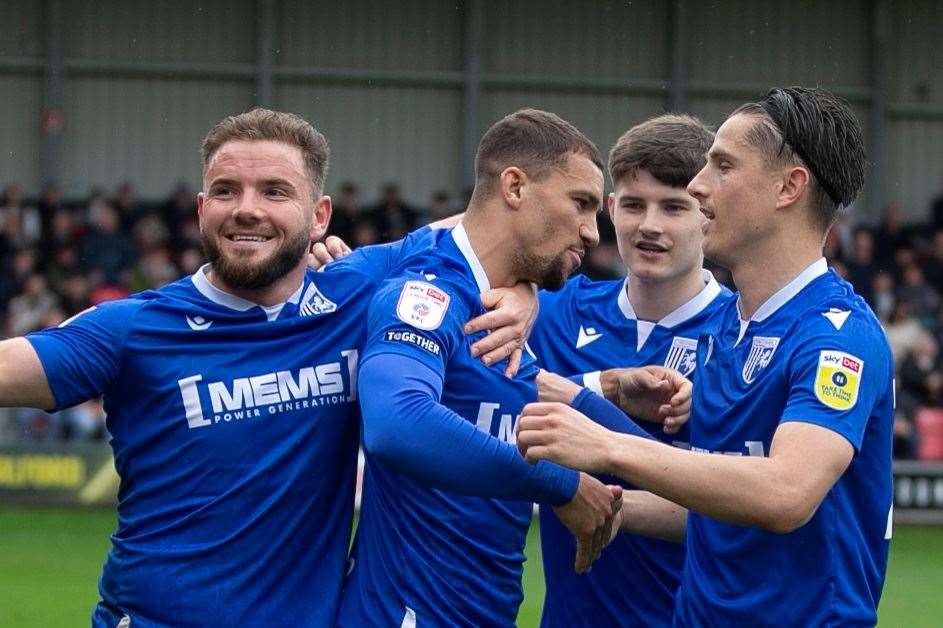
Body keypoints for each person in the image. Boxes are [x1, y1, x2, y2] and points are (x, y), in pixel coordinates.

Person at [0, 108, 534, 627]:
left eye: (275, 192)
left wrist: (523, 292)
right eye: (227, 191)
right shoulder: (133, 328)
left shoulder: (357, 289)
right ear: (201, 209)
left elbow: (495, 233)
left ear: (320, 215)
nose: (246, 209)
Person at [517, 87, 894, 626]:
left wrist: (607, 445)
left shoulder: (836, 336)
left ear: (789, 187)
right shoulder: (725, 328)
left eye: (722, 166)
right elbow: (709, 514)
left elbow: (786, 492)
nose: (699, 184)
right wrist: (590, 497)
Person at [337, 109, 650, 626]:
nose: (593, 233)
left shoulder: (500, 310)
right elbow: (397, 423)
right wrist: (562, 485)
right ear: (514, 187)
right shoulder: (427, 289)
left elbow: (512, 404)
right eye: (581, 203)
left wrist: (689, 466)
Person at [528, 114, 732, 627]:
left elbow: (748, 508)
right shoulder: (553, 311)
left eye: (675, 207)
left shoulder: (742, 337)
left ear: (708, 213)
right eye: (635, 205)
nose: (650, 226)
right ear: (611, 210)